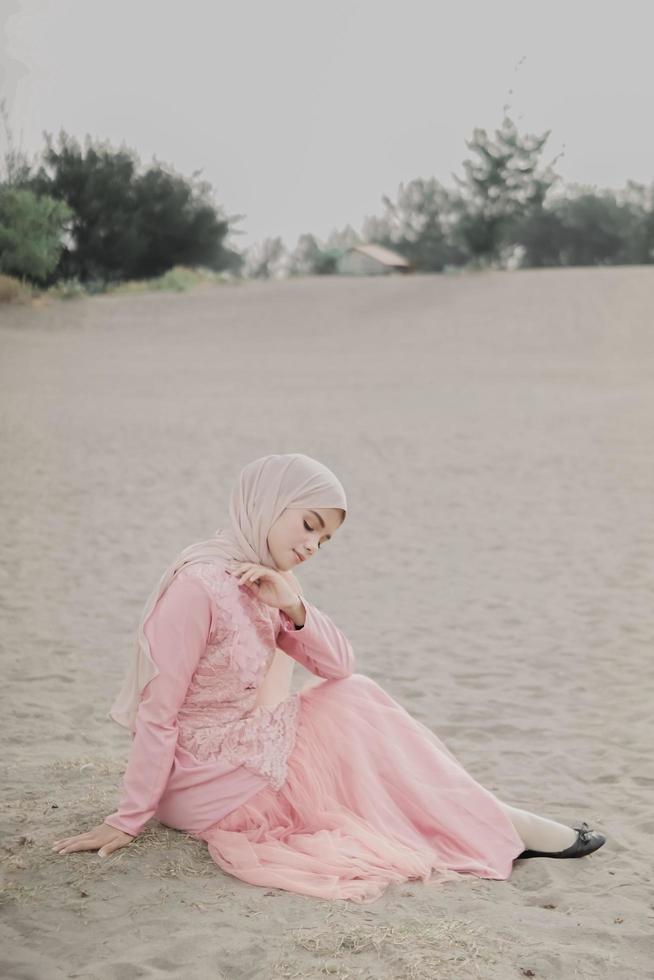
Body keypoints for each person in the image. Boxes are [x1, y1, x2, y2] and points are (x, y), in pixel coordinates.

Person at [51, 453, 606, 903]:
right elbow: (158, 712)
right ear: (267, 505)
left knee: (351, 697)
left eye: (324, 540)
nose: (311, 546)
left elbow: (338, 665)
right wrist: (127, 820)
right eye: (308, 525)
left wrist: (293, 606)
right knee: (355, 710)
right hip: (199, 780)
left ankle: (494, 817)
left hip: (243, 750)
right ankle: (502, 821)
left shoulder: (268, 578)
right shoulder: (198, 586)